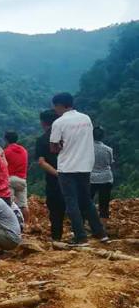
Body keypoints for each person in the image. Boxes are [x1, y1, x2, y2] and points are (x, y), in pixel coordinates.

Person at [49, 92, 109, 246]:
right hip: (85, 165)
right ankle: (101, 233)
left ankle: (80, 237)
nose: (55, 110)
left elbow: (54, 147)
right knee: (86, 201)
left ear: (59, 105)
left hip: (67, 167)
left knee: (71, 202)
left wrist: (61, 145)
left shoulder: (59, 122)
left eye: (55, 107)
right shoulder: (86, 118)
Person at [36, 109, 66, 241]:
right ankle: (80, 236)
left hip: (54, 181)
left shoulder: (42, 139)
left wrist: (57, 174)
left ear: (43, 123)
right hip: (73, 175)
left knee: (55, 210)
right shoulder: (66, 136)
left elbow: (42, 162)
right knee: (75, 206)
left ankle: (56, 238)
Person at [3, 130, 30, 226]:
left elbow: (3, 166)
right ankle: (26, 224)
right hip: (22, 179)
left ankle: (11, 224)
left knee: (9, 204)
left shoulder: (6, 152)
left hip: (10, 179)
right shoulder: (24, 150)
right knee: (23, 205)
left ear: (6, 140)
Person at [90, 126, 114, 223]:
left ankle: (89, 224)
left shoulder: (87, 149)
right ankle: (102, 228)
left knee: (87, 202)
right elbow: (110, 162)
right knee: (104, 204)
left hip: (91, 178)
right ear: (103, 136)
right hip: (106, 178)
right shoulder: (108, 149)